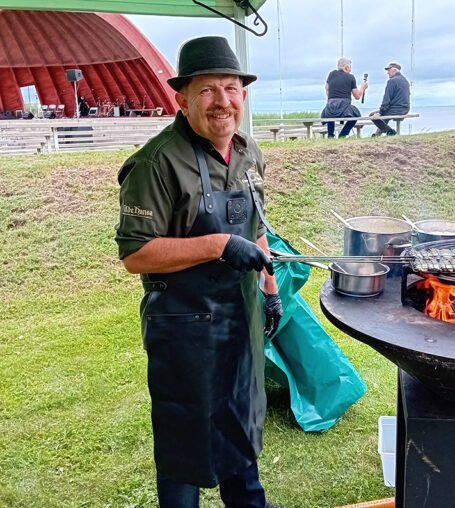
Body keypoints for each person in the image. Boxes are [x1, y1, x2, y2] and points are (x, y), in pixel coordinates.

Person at [114, 36, 283, 508]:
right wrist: (218, 245)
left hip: (241, 317)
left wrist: (270, 290)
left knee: (240, 422)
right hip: (184, 327)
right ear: (182, 100)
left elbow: (256, 229)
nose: (221, 101)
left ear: (243, 95)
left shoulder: (249, 153)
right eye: (206, 90)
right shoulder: (156, 163)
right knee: (184, 439)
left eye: (230, 88)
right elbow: (136, 255)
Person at [321, 58, 368, 138]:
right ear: (346, 67)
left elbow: (327, 88)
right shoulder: (350, 77)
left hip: (330, 105)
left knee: (330, 113)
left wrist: (332, 98)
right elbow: (357, 96)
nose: (350, 69)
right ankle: (342, 135)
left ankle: (330, 135)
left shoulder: (331, 74)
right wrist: (363, 87)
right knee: (356, 114)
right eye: (350, 67)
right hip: (344, 106)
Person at [370, 62, 411, 136]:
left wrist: (380, 112)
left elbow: (387, 98)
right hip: (405, 109)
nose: (387, 72)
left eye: (389, 70)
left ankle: (390, 131)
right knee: (384, 116)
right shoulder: (405, 81)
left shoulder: (392, 81)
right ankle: (377, 135)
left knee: (372, 115)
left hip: (395, 110)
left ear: (395, 70)